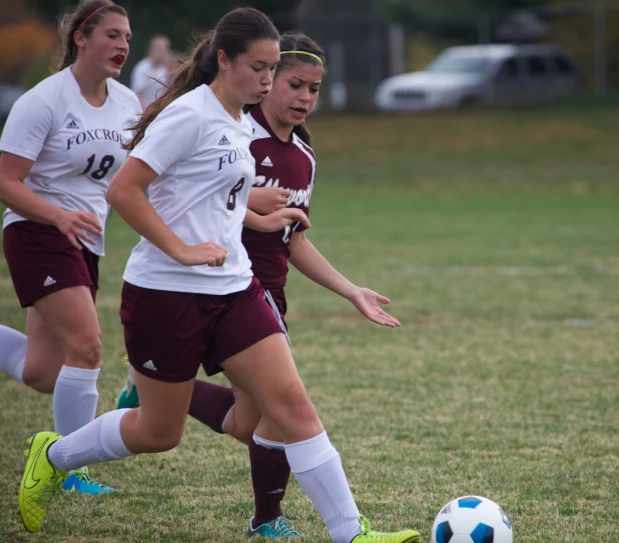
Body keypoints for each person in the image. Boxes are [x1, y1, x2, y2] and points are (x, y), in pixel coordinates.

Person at [17, 8, 420, 543]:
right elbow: (124, 192)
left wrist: (260, 219)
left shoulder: (235, 120)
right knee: (160, 432)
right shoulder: (190, 115)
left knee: (293, 407)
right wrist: (180, 249)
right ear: (224, 60)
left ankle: (353, 534)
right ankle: (56, 453)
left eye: (274, 70)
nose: (269, 81)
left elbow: (211, 199)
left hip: (235, 289)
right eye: (261, 68)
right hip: (166, 293)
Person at [116, 31, 401, 539]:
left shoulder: (303, 158)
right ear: (263, 78)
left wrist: (350, 289)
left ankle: (148, 385)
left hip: (266, 290)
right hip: (227, 289)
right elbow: (189, 201)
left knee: (252, 423)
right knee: (284, 414)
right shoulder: (231, 127)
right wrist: (248, 210)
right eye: (293, 83)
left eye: (313, 89)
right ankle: (286, 523)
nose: (303, 98)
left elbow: (294, 239)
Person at [0, 0, 140, 496]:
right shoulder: (43, 100)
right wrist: (57, 215)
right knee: (87, 347)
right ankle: (65, 467)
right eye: (113, 35)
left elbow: (141, 178)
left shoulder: (128, 104)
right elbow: (5, 181)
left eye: (127, 37)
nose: (124, 45)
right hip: (37, 230)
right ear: (81, 36)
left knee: (44, 371)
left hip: (85, 240)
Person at [130, 34, 170, 108]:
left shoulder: (163, 69)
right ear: (152, 49)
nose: (163, 53)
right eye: (160, 49)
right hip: (141, 112)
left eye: (165, 49)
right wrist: (146, 113)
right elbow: (139, 94)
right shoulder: (142, 67)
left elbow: (164, 94)